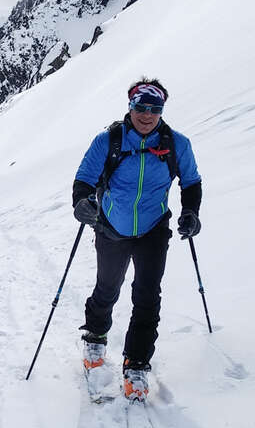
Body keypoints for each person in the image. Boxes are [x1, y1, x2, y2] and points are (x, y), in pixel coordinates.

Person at [71, 78, 201, 401]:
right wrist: (82, 203)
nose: (147, 115)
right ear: (130, 106)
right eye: (141, 107)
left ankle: (137, 364)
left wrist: (190, 212)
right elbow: (84, 178)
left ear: (162, 111)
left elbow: (192, 182)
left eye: (154, 109)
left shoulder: (176, 145)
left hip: (153, 229)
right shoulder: (109, 141)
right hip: (111, 228)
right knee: (107, 288)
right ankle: (95, 337)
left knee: (147, 296)